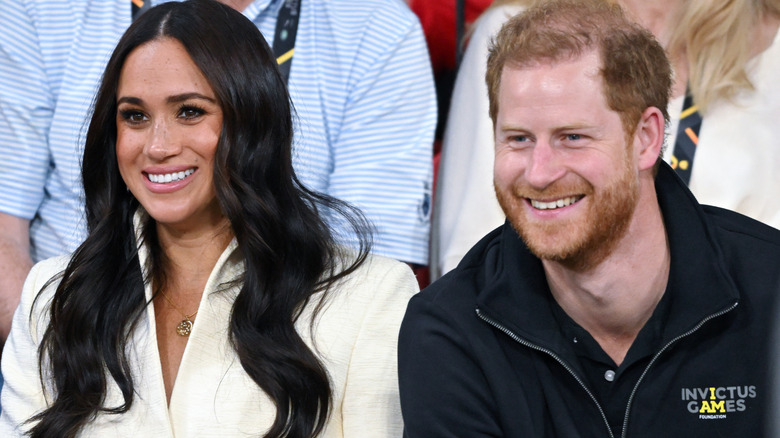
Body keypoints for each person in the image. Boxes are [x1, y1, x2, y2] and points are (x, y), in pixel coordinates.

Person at [0, 1, 417, 436]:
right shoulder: (50, 301)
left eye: (190, 111)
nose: (158, 146)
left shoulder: (374, 296)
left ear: (254, 121)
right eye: (135, 116)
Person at [398, 1, 780, 436]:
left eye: (572, 137)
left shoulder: (771, 294)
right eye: (519, 139)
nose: (539, 173)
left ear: (646, 138)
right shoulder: (449, 329)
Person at [430, 0, 780, 279]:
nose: (541, 172)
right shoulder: (513, 35)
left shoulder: (771, 49)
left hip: (736, 343)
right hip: (536, 351)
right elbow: (467, 254)